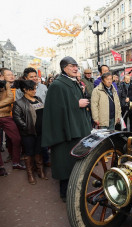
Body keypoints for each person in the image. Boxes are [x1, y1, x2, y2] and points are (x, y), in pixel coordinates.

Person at [42, 56, 91, 202]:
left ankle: (75, 188)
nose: (76, 68)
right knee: (65, 163)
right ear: (64, 68)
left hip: (76, 129)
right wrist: (77, 104)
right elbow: (55, 110)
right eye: (72, 66)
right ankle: (65, 193)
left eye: (76, 65)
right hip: (65, 132)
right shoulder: (57, 85)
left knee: (75, 162)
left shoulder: (72, 82)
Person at [13, 80, 47, 184]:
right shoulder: (19, 103)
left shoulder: (38, 99)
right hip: (28, 133)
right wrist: (27, 127)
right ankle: (30, 174)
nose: (34, 90)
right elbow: (17, 118)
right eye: (32, 89)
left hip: (40, 131)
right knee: (29, 153)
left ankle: (40, 171)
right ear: (25, 90)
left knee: (39, 151)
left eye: (35, 88)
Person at [0, 68, 25, 176]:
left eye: (12, 74)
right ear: (2, 76)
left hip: (6, 116)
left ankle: (16, 162)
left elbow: (10, 99)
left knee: (16, 138)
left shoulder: (10, 86)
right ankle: (1, 166)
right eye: (8, 75)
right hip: (4, 114)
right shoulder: (4, 85)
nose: (12, 76)